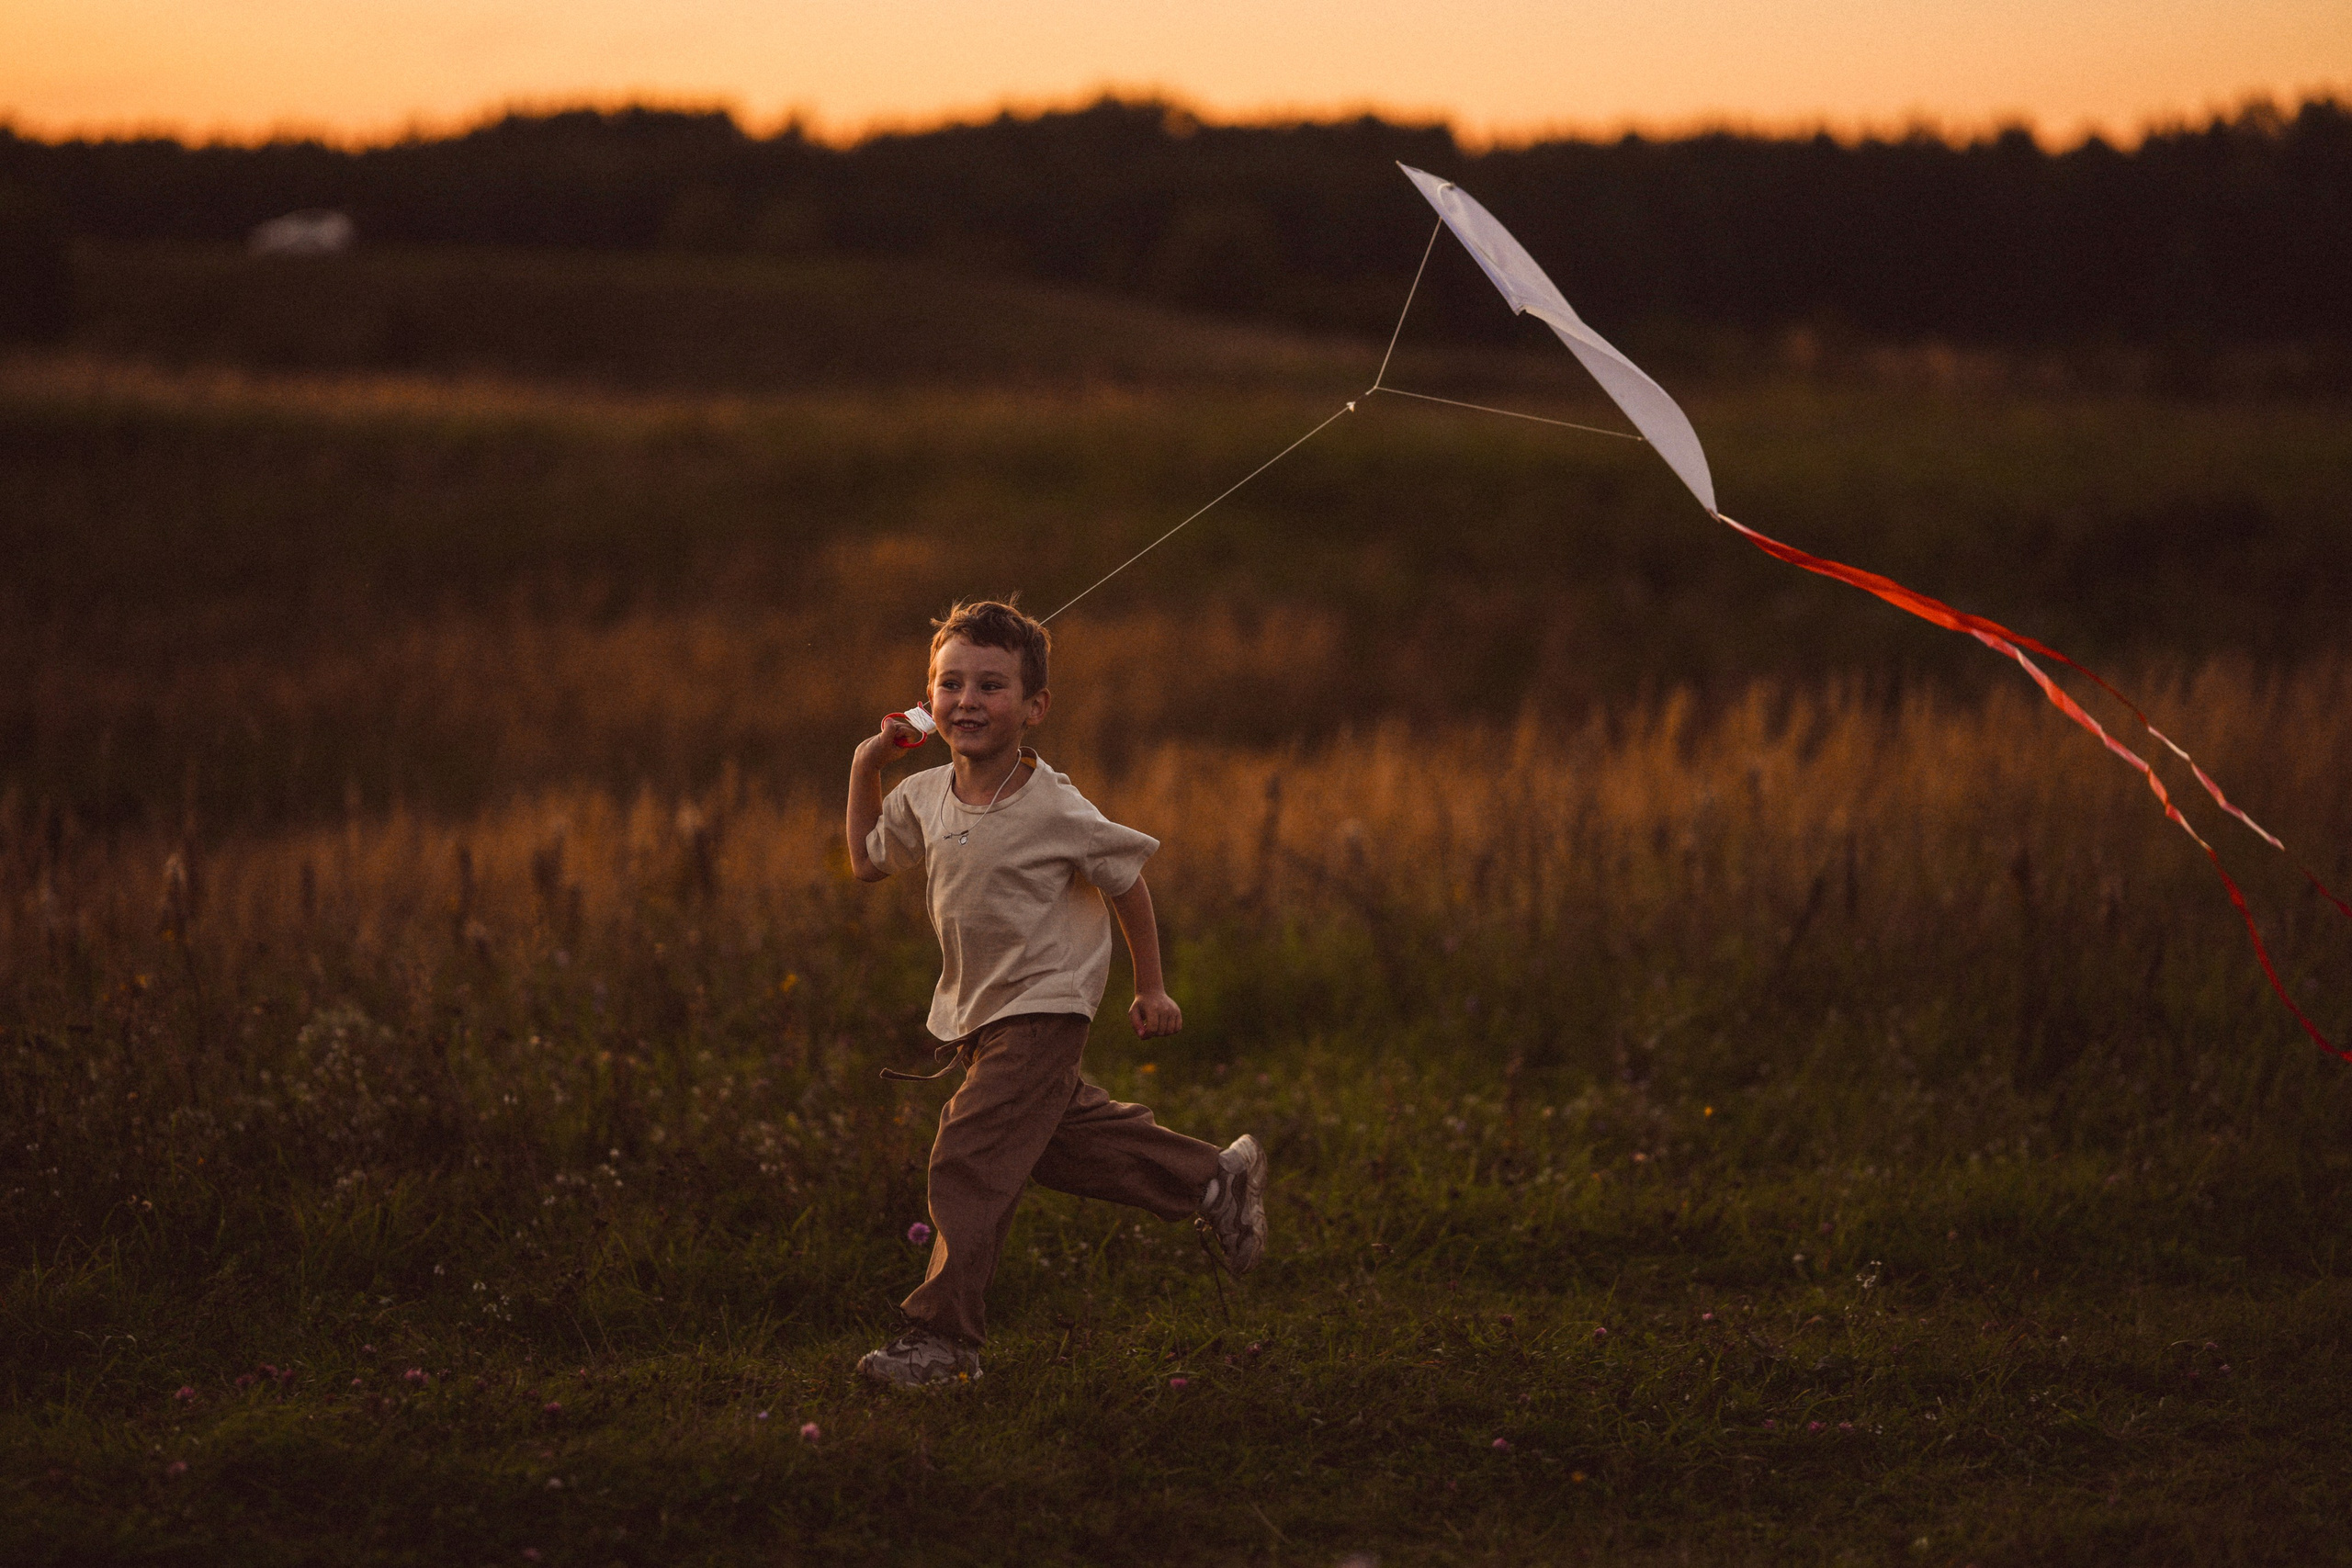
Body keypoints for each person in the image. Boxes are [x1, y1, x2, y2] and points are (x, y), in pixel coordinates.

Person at [844, 599, 1265, 1387]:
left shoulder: (1054, 804)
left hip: (1044, 1007)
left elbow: (1128, 882)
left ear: (1035, 707)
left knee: (969, 1152)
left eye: (992, 686)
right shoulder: (924, 793)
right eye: (951, 684)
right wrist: (870, 762)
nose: (968, 700)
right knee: (1063, 1143)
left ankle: (943, 1341)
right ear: (927, 702)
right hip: (979, 1013)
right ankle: (1212, 1178)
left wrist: (1151, 986)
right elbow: (867, 861)